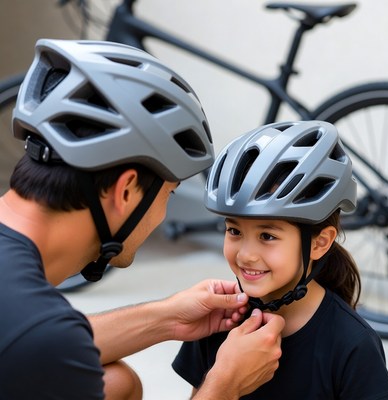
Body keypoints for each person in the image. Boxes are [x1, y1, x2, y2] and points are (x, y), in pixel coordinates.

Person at [0, 39, 285, 400]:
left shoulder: (25, 315)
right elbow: (44, 344)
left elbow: (34, 340)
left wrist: (167, 318)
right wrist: (224, 384)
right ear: (126, 191)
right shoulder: (43, 337)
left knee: (116, 384)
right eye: (170, 193)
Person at [172, 120, 388, 399]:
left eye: (267, 236)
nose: (245, 254)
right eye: (234, 231)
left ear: (320, 243)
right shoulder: (217, 320)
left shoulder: (352, 344)